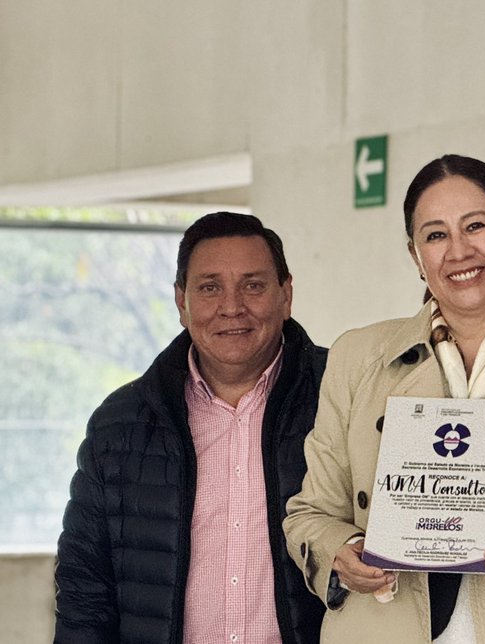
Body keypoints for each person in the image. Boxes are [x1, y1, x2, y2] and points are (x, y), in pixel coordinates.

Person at [284, 155, 485, 643]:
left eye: (475, 226)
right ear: (416, 256)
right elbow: (310, 514)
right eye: (435, 235)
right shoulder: (359, 358)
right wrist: (343, 552)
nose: (458, 251)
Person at [54, 211, 327, 644]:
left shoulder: (342, 399)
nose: (232, 306)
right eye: (209, 287)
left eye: (253, 285)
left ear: (286, 294)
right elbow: (85, 589)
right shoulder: (119, 424)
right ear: (182, 301)